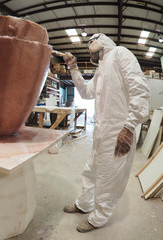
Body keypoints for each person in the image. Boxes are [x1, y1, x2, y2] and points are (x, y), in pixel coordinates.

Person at [63, 33, 150, 233]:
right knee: (91, 171)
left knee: (109, 178)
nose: (88, 50)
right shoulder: (101, 68)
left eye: (91, 44)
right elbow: (86, 92)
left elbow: (140, 89)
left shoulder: (120, 53)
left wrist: (129, 127)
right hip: (102, 131)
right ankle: (84, 204)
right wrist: (74, 68)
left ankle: (98, 218)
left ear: (99, 42)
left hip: (119, 131)